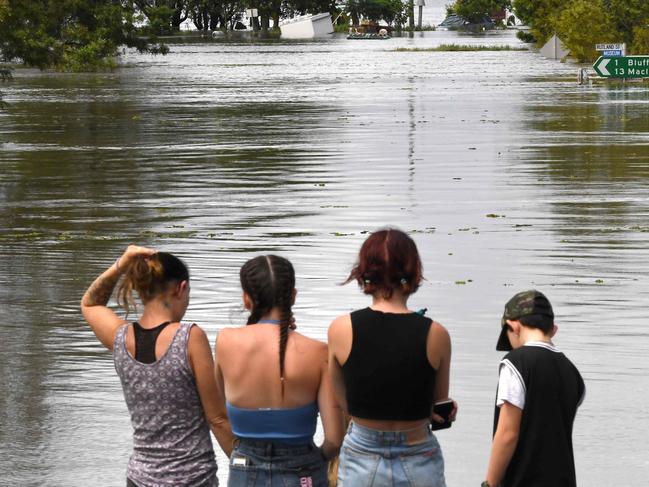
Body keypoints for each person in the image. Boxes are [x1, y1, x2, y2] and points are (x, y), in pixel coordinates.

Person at [80, 245, 234, 487]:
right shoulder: (189, 338)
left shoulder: (120, 338)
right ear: (181, 289)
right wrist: (249, 466)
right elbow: (217, 419)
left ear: (141, 289)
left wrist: (122, 262)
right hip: (192, 479)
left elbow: (90, 303)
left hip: (139, 479)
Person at [327, 227, 456, 487]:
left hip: (362, 452)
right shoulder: (436, 334)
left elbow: (345, 402)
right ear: (412, 273)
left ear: (365, 274)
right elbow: (437, 402)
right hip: (418, 450)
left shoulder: (341, 329)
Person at [214, 255, 344, 487]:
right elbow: (334, 439)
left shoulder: (225, 342)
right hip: (303, 472)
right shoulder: (318, 352)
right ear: (293, 296)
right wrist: (314, 461)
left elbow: (219, 413)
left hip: (244, 470)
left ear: (246, 299)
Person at [482, 290, 585, 487]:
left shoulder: (515, 362)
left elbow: (507, 434)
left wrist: (490, 483)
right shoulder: (572, 371)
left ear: (513, 326)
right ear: (553, 330)